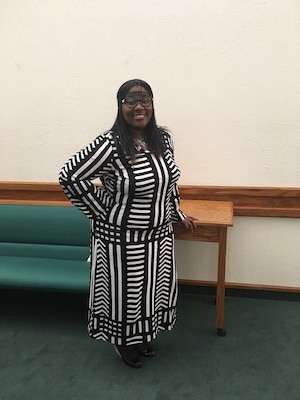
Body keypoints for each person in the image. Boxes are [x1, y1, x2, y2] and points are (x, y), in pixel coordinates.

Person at [59, 79, 196, 368]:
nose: (138, 107)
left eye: (144, 99)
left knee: (151, 290)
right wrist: (104, 211)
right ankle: (122, 343)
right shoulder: (110, 144)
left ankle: (143, 335)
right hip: (121, 240)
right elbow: (70, 176)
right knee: (127, 293)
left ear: (152, 104)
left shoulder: (162, 139)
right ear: (120, 106)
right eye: (130, 101)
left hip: (159, 237)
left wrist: (177, 214)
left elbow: (168, 184)